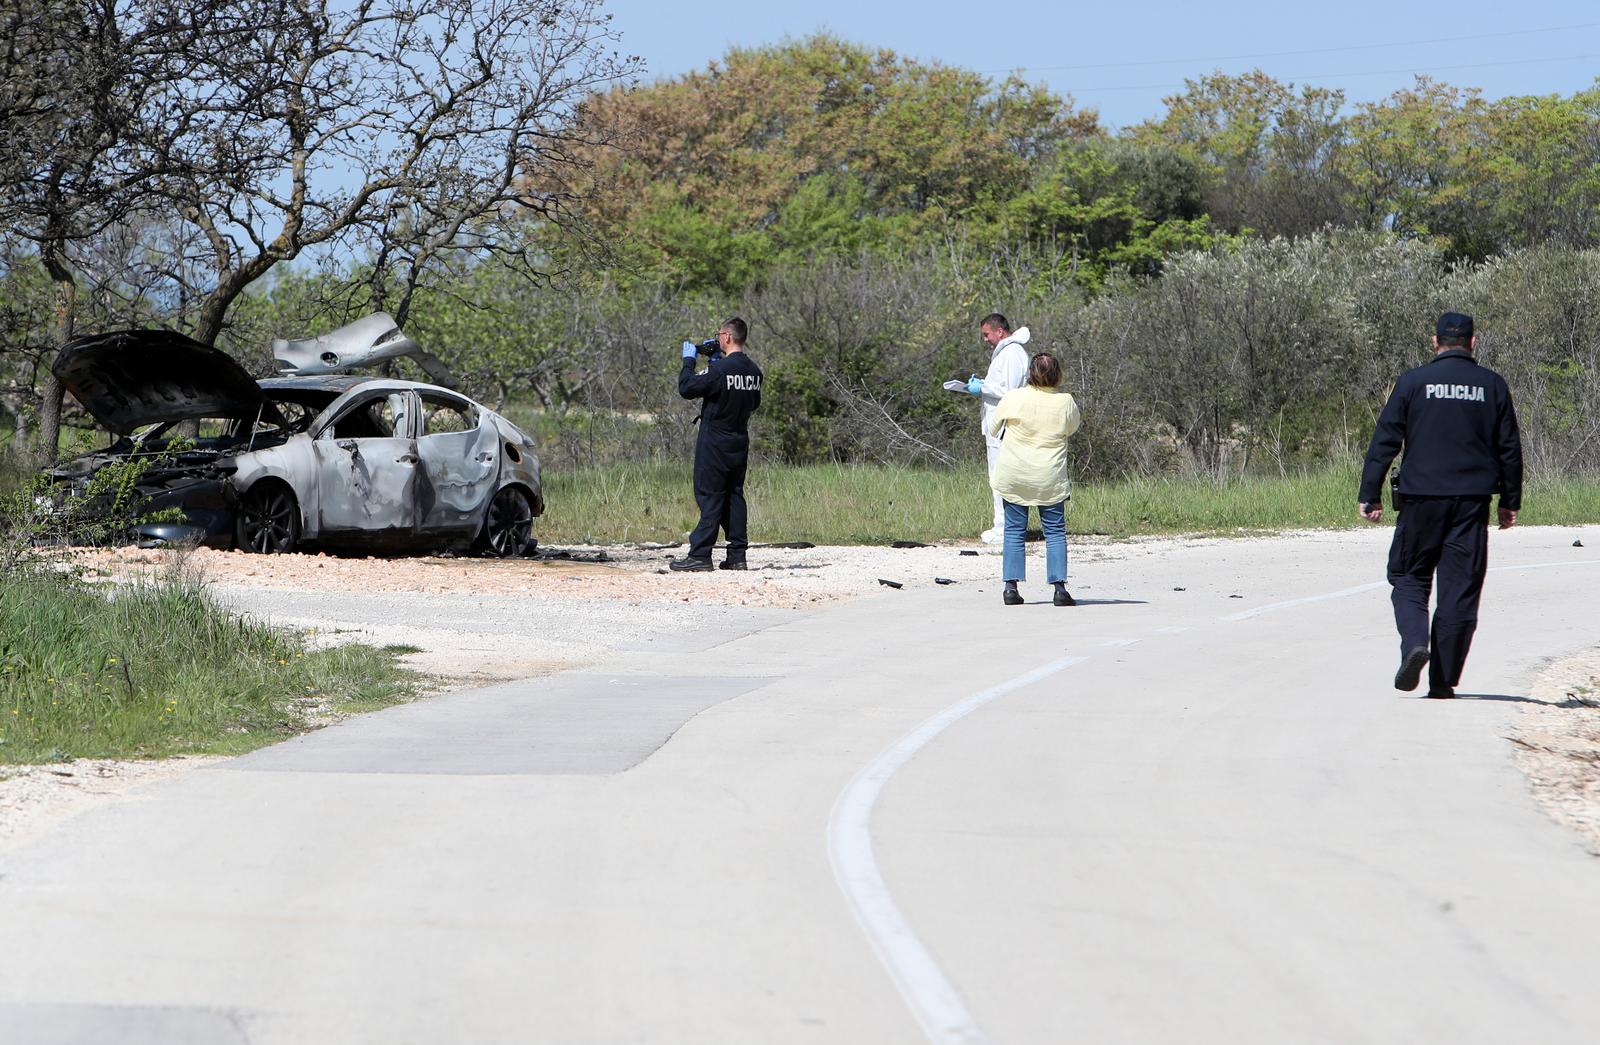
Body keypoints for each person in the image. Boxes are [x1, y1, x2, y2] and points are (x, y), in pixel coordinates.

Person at [1358, 311, 1523, 698]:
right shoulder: (1492, 386)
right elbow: (1510, 450)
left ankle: (1415, 643)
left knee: (1409, 577)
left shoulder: (1413, 382)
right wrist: (1510, 500)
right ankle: (1443, 682)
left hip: (1420, 502)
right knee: (1459, 590)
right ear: (1473, 342)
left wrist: (1370, 493)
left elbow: (1384, 441)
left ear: (1435, 343)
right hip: (1471, 505)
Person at [988, 351, 1082, 606]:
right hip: (1048, 476)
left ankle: (1010, 588)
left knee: (1014, 531)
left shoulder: (1014, 397)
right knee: (1054, 532)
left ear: (1030, 374)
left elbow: (993, 428)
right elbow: (1071, 428)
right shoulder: (1065, 401)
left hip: (1014, 474)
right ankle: (1059, 588)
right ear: (1057, 375)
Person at [670, 316, 764, 572]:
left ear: (727, 337)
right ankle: (737, 555)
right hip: (739, 441)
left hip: (714, 443)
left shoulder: (720, 370)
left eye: (720, 334)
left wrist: (689, 361)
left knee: (710, 494)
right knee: (734, 495)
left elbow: (687, 387)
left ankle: (700, 554)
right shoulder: (755, 371)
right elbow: (753, 403)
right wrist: (713, 361)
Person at [966, 313, 1031, 544]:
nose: (985, 339)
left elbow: (1010, 391)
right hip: (997, 426)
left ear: (999, 331)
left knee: (1001, 477)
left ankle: (1005, 528)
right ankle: (1005, 526)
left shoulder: (1012, 354)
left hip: (1004, 427)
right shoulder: (1006, 353)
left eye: (986, 334)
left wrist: (983, 388)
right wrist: (983, 386)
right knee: (998, 476)